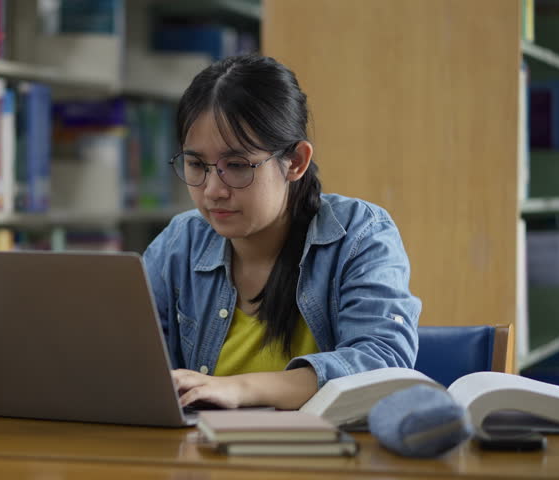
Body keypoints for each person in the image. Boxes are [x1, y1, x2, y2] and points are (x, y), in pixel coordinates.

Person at [142, 54, 421, 411]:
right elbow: (132, 362)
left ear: (296, 162)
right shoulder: (180, 242)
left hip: (327, 461)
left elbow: (383, 365)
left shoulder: (359, 234)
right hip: (203, 460)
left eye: (238, 166)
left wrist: (239, 389)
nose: (212, 189)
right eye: (197, 164)